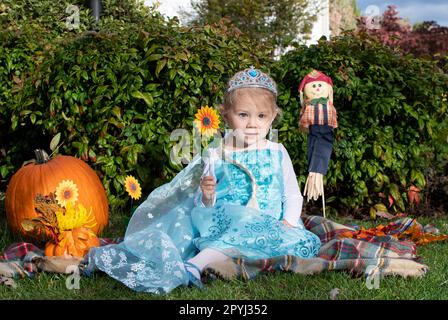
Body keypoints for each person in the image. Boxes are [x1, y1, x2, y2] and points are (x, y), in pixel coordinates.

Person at [84, 66, 321, 294]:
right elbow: (202, 203)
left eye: (261, 116)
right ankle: (197, 265)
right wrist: (208, 195)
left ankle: (206, 262)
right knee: (238, 229)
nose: (252, 124)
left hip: (272, 223)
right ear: (226, 116)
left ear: (272, 118)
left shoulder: (277, 151)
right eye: (243, 115)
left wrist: (288, 222)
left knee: (280, 240)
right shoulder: (217, 153)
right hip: (227, 219)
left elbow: (291, 193)